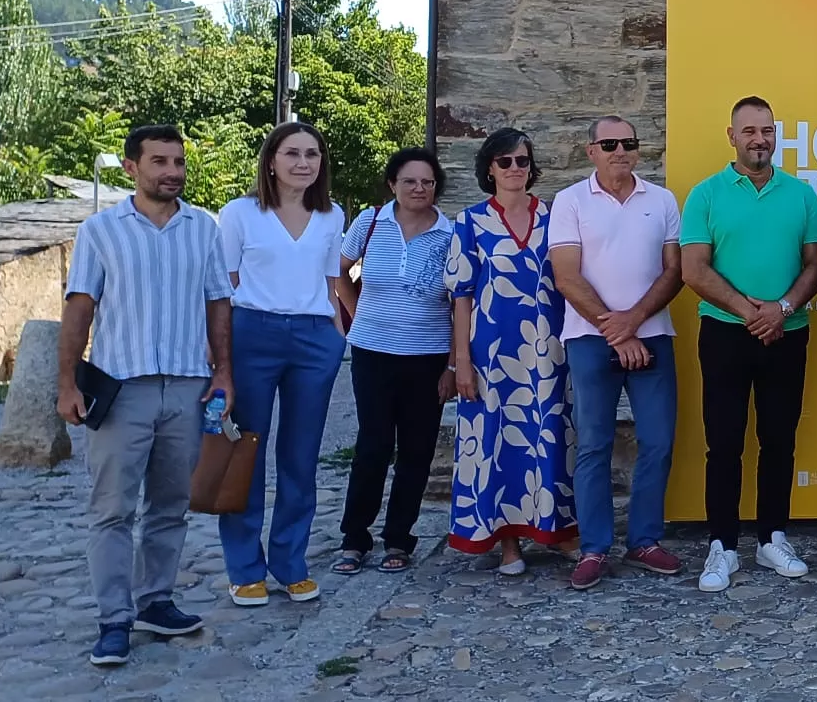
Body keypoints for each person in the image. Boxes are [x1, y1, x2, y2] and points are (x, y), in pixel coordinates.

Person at [58, 125, 233, 666]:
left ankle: (156, 600)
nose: (172, 172)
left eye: (178, 162)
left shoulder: (204, 228)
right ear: (132, 167)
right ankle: (114, 619)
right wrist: (66, 381)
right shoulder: (100, 231)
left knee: (171, 505)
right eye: (160, 161)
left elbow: (218, 304)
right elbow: (79, 307)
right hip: (123, 388)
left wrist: (224, 370)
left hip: (185, 387)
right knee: (112, 509)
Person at [680, 96, 817, 593]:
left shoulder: (801, 194)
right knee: (723, 441)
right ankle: (722, 546)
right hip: (724, 331)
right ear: (732, 135)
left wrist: (780, 310)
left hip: (789, 330)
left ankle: (772, 538)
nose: (758, 139)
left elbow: (815, 265)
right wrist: (753, 312)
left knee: (778, 440)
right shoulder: (705, 194)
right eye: (749, 131)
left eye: (766, 130)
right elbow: (693, 269)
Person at [548, 116, 685, 590]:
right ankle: (594, 548)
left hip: (653, 335)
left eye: (628, 143)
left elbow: (674, 271)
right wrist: (619, 331)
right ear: (591, 151)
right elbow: (565, 275)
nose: (620, 151)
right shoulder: (569, 201)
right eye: (609, 143)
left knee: (659, 441)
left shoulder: (663, 200)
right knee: (593, 445)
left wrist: (635, 323)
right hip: (589, 339)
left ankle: (645, 539)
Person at [218, 122, 347, 607]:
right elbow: (224, 286)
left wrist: (337, 336)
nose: (303, 163)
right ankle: (245, 569)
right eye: (292, 153)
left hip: (315, 339)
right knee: (246, 451)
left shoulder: (333, 215)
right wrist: (221, 352)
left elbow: (333, 283)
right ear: (271, 159)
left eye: (312, 154)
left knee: (301, 456)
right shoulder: (240, 214)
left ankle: (291, 562)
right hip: (253, 331)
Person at [447, 127, 578, 574]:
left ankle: (556, 531)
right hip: (491, 352)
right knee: (497, 440)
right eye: (506, 162)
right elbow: (461, 294)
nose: (515, 169)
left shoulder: (556, 216)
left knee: (550, 438)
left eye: (522, 161)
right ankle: (508, 542)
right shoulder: (469, 222)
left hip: (547, 349)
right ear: (490, 168)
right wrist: (461, 359)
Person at [332, 148, 457, 575]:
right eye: (410, 181)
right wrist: (355, 319)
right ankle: (355, 537)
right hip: (373, 353)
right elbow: (340, 272)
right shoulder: (369, 223)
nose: (419, 189)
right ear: (393, 184)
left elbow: (460, 301)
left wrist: (454, 365)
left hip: (427, 356)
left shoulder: (451, 234)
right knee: (373, 445)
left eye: (427, 182)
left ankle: (399, 538)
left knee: (417, 450)